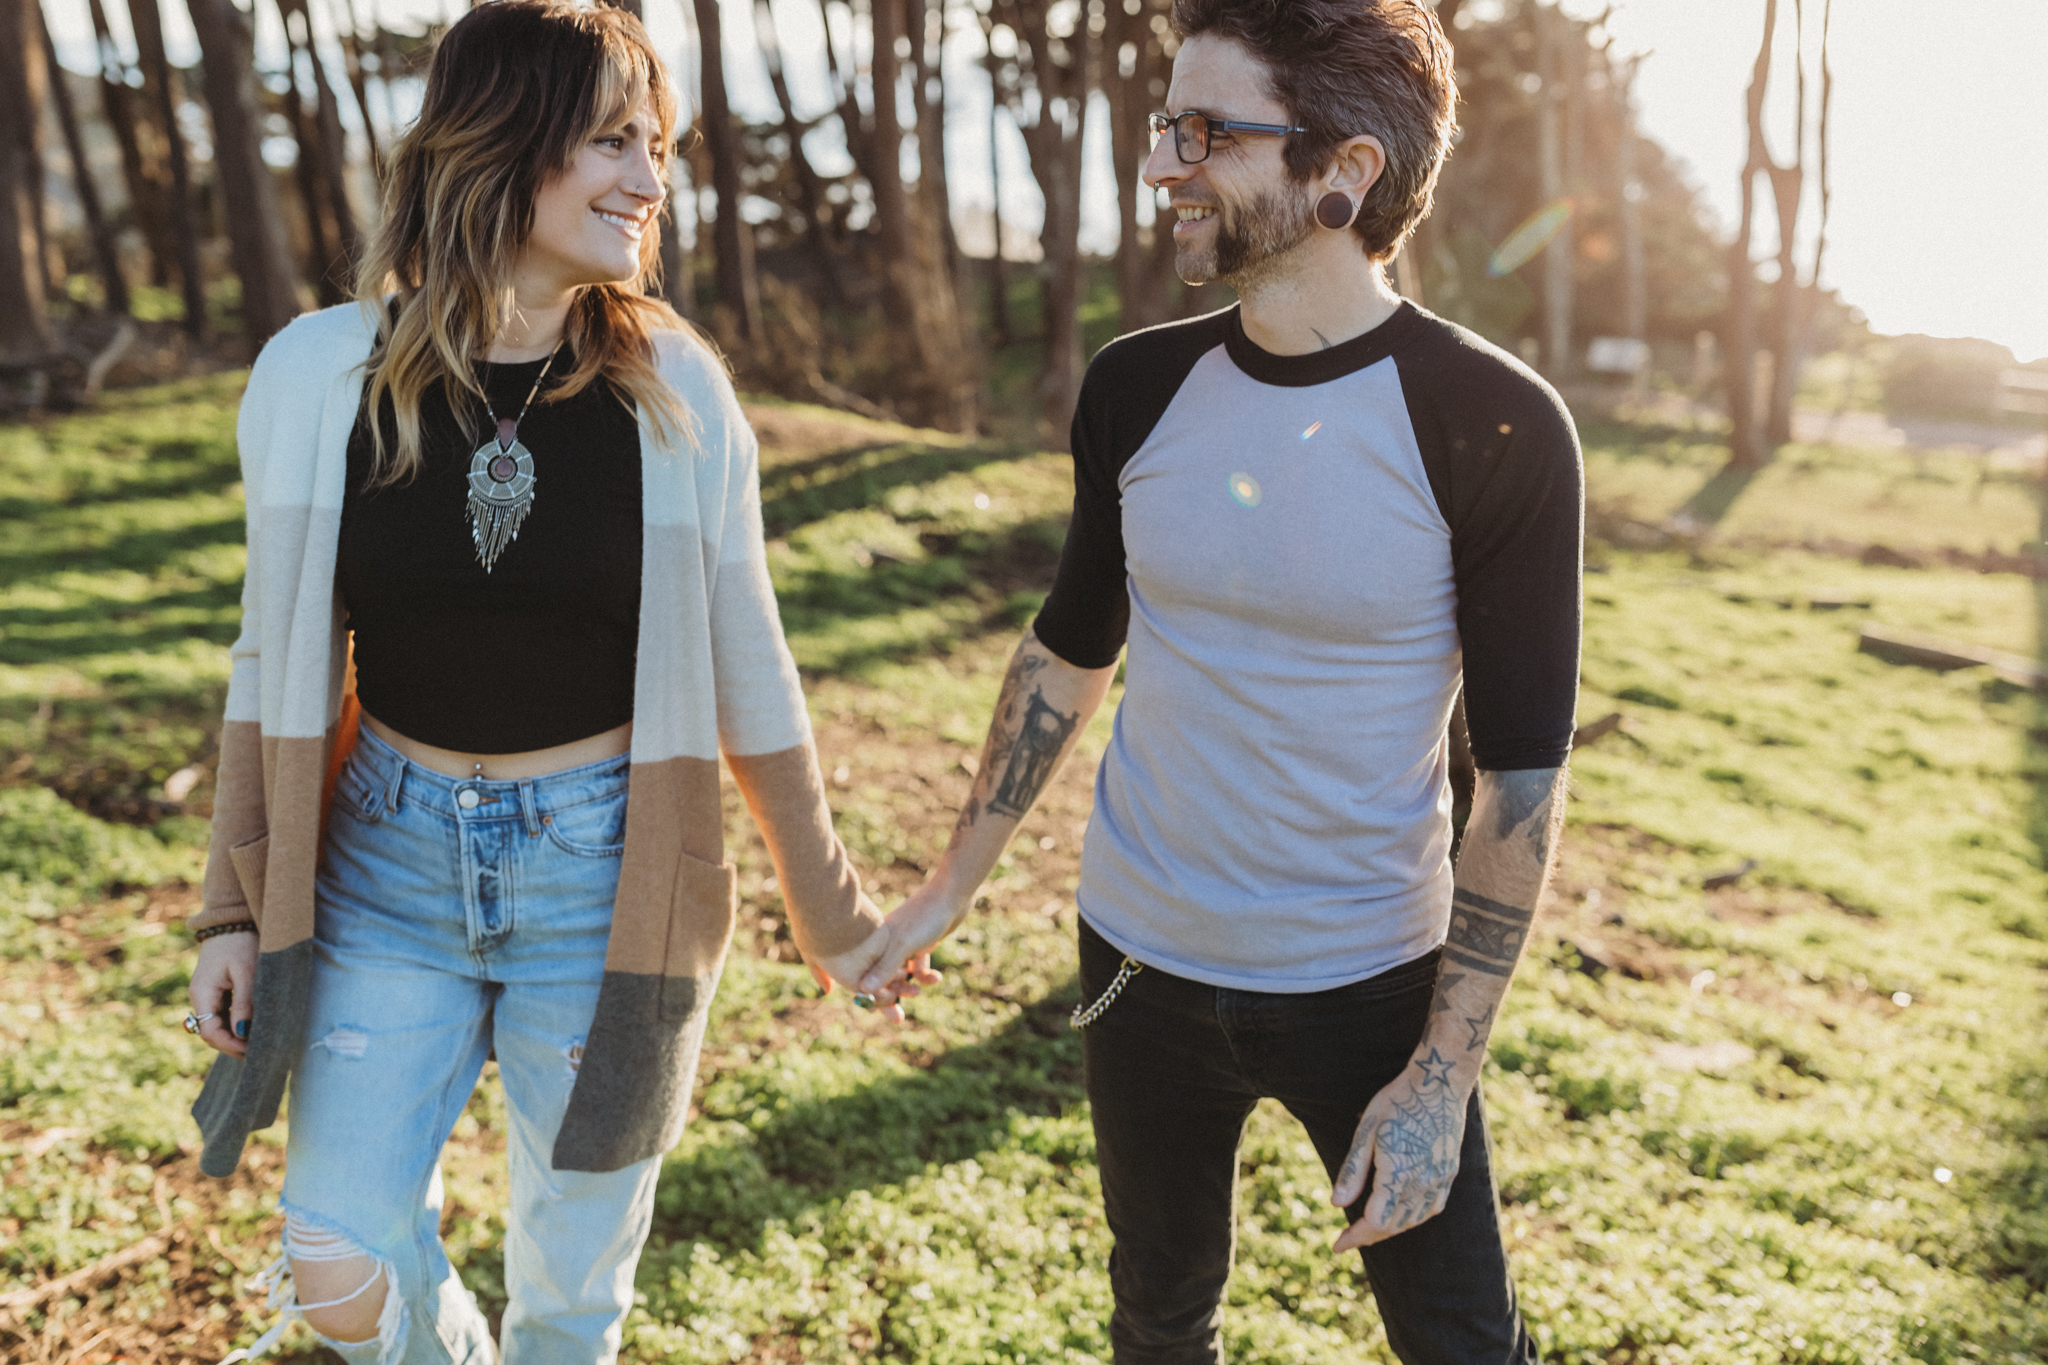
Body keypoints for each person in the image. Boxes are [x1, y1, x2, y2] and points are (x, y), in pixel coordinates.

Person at [181, 5, 917, 1361]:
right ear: (503, 144)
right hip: (384, 870)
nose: (653, 179)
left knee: (571, 1297)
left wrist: (834, 913)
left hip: (602, 881)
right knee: (333, 1250)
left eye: (662, 147)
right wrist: (231, 904)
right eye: (613, 141)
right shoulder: (316, 380)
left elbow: (751, 662)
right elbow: (265, 661)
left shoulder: (672, 391)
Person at [861, 1, 1582, 1360]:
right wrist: (949, 886)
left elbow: (1523, 782)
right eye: (1163, 124)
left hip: (1372, 983)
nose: (1162, 165)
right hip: (1136, 961)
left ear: (1342, 173)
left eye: (1206, 132)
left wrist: (1439, 1077)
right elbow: (1071, 646)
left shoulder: (1494, 424)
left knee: (1465, 1344)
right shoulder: (1136, 387)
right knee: (1158, 1317)